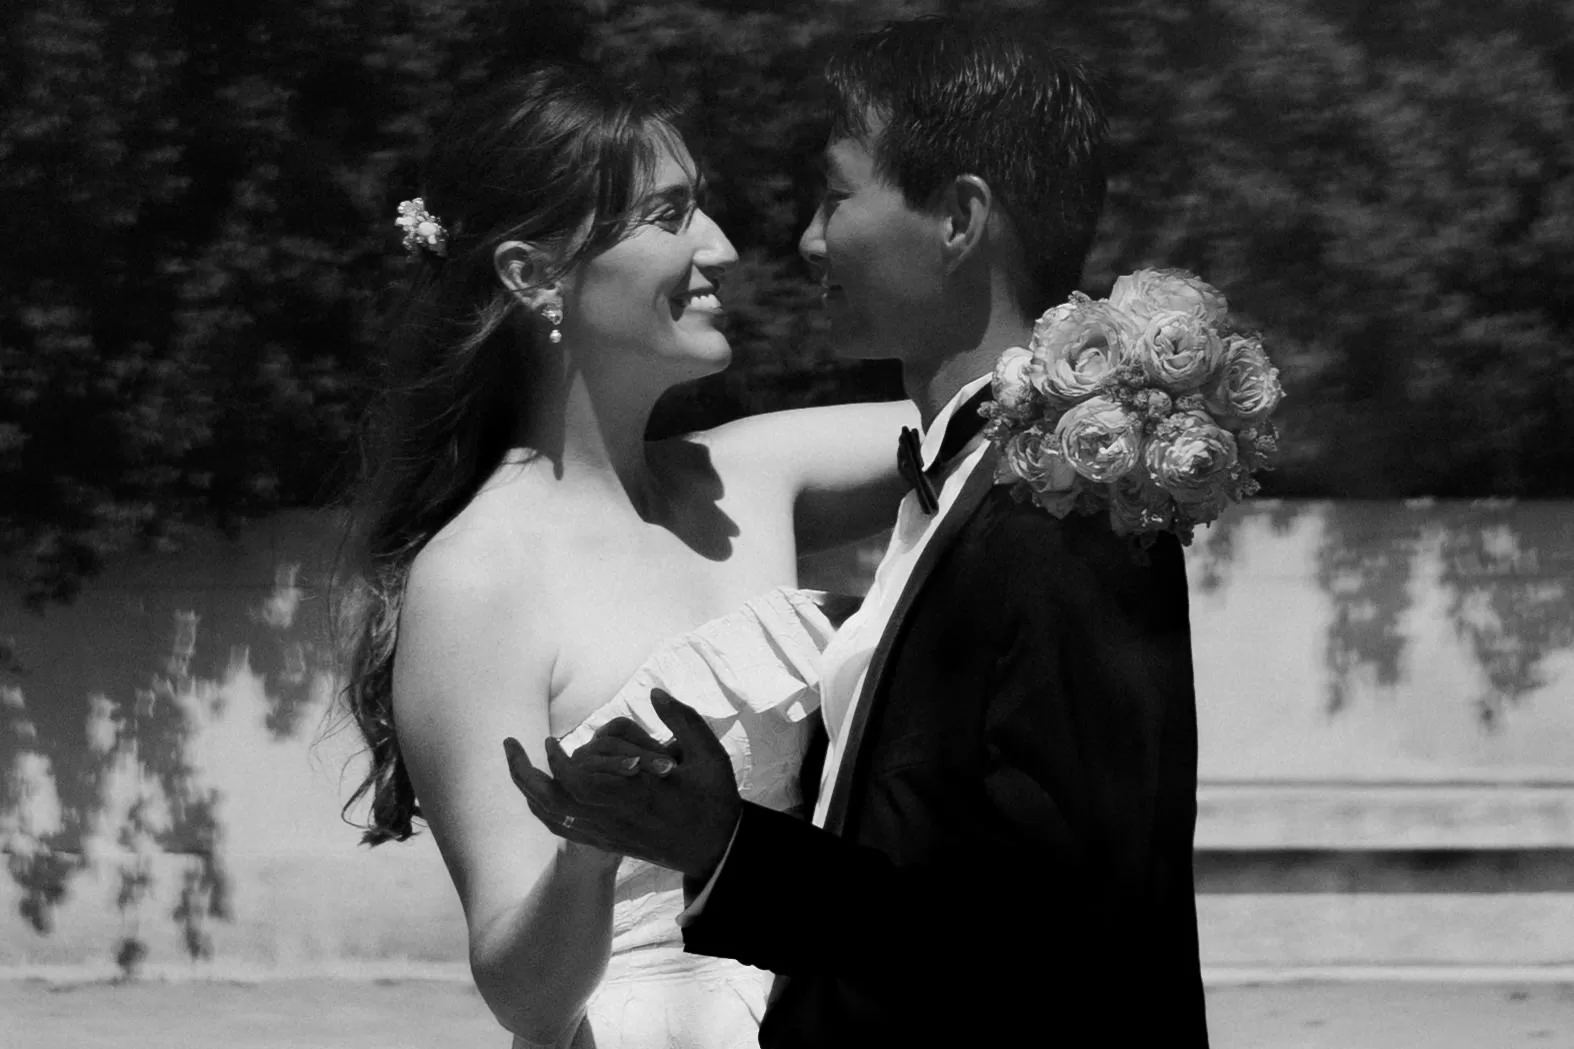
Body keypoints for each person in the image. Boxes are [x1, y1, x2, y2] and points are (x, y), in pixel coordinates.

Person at [512, 15, 1210, 1048]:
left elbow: (1051, 941)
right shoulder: (969, 487)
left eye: (834, 195)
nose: (803, 239)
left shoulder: (1059, 517)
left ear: (959, 219)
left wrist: (725, 844)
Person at [336, 62, 916, 1048]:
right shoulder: (475, 579)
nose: (722, 248)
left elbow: (1000, 415)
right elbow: (524, 994)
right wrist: (587, 850)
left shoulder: (755, 472)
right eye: (669, 214)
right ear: (532, 275)